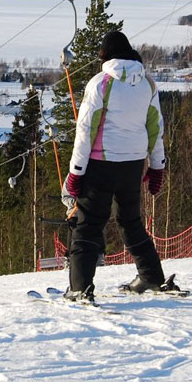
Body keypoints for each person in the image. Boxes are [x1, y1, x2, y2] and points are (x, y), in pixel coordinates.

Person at [62, 30, 169, 302]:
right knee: (130, 221)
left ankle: (79, 287)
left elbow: (85, 131)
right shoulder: (147, 84)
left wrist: (76, 172)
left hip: (101, 164)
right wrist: (157, 166)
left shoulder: (101, 83)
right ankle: (151, 276)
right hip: (133, 165)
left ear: (105, 54)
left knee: (88, 224)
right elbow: (155, 128)